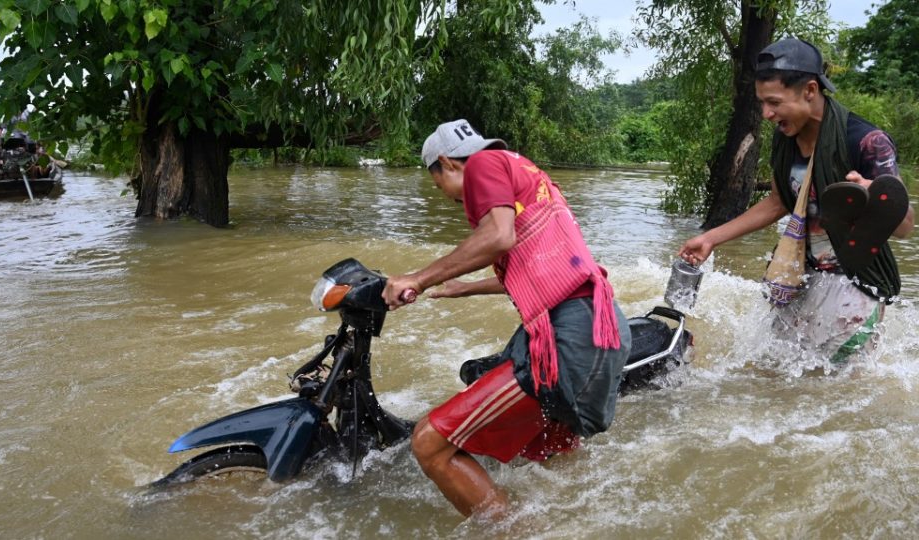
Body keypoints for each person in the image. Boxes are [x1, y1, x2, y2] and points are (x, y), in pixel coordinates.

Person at [382, 120, 632, 518]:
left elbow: (499, 238)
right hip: (596, 330)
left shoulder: (482, 164)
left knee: (429, 444)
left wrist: (419, 278)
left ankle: (510, 531)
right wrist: (466, 287)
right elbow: (552, 271)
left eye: (438, 185)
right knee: (547, 455)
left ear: (448, 163)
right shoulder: (526, 172)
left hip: (568, 340)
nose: (445, 197)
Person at [677, 38, 914, 364]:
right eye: (761, 102)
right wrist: (710, 238)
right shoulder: (786, 139)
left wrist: (876, 195)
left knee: (841, 389)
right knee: (772, 373)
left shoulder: (865, 141)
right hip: (803, 278)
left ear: (810, 91)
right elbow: (778, 202)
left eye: (773, 102)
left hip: (857, 284)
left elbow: (904, 226)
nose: (766, 113)